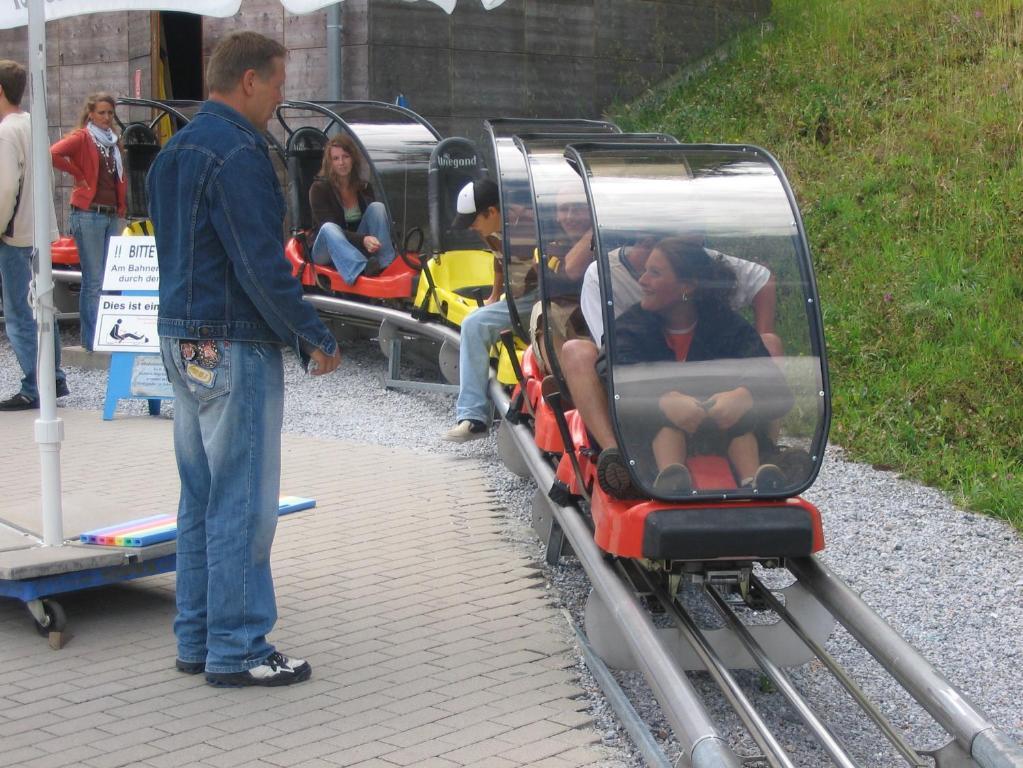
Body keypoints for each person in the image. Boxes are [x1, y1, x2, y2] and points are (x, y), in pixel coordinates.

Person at [147, 31, 341, 687]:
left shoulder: (174, 150)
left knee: (200, 497)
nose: (281, 98)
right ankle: (239, 648)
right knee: (242, 503)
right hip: (232, 342)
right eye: (280, 84)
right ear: (251, 81)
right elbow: (260, 264)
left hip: (180, 336)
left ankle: (198, 638)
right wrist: (311, 334)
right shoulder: (239, 152)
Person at [561, 237, 792, 499]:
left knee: (742, 432)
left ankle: (758, 479)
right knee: (665, 428)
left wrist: (745, 395)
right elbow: (613, 369)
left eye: (654, 273)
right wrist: (662, 400)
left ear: (687, 286)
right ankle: (662, 476)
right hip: (650, 432)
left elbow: (772, 381)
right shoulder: (632, 325)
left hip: (717, 427)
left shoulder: (726, 324)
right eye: (645, 270)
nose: (642, 281)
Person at [441, 178, 535, 443]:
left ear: (492, 212)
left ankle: (473, 417)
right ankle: (472, 417)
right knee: (474, 320)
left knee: (473, 324)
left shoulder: (530, 224)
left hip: (541, 298)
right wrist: (495, 295)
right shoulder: (492, 228)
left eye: (474, 221)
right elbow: (499, 261)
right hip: (518, 300)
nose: (471, 227)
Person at [0, 59, 68, 411]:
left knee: (19, 312)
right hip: (39, 229)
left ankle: (33, 384)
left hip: (14, 234)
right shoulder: (32, 123)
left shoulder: (6, 130)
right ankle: (52, 377)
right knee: (43, 306)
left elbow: (5, 186)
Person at [51, 92, 126, 352]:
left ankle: (106, 336)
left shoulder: (113, 142)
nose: (106, 117)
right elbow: (54, 153)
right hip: (88, 213)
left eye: (110, 113)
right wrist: (77, 174)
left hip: (108, 213)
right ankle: (92, 339)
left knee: (108, 278)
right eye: (102, 112)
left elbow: (118, 177)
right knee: (94, 280)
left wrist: (121, 206)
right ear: (91, 114)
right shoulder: (83, 137)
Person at [308, 134, 395, 284]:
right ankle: (360, 268)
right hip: (326, 248)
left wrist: (367, 240)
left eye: (345, 156)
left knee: (377, 208)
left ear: (353, 158)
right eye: (336, 159)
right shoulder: (319, 189)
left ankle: (386, 265)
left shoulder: (364, 187)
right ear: (330, 163)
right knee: (329, 228)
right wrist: (363, 240)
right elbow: (328, 229)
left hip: (355, 245)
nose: (341, 163)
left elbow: (374, 224)